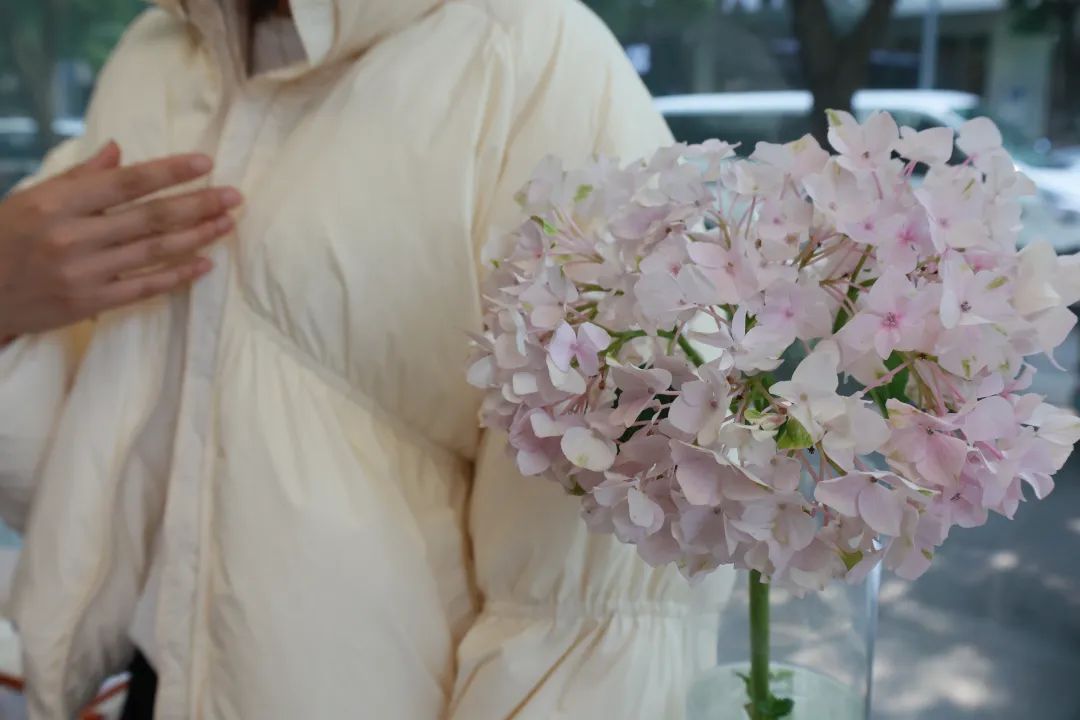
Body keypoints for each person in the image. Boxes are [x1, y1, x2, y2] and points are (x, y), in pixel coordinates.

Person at [0, 0, 732, 718]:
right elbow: (85, 467)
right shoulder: (157, 54)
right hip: (160, 680)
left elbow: (588, 604)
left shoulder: (537, 60)